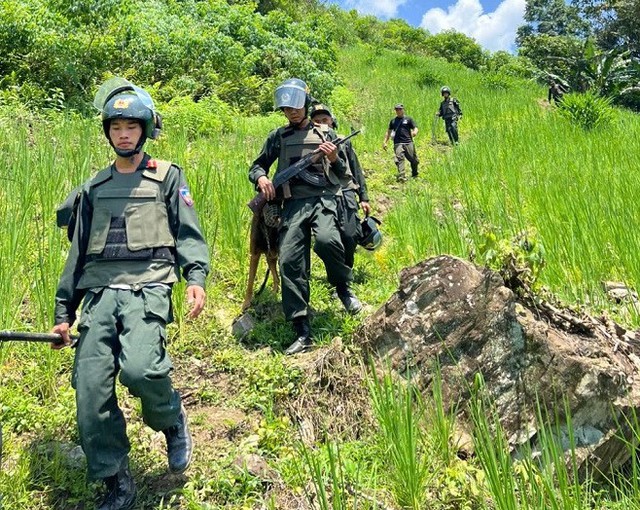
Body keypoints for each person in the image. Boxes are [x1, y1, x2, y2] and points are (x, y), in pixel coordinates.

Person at [51, 77, 210, 510]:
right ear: (109, 132)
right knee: (89, 394)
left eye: (131, 126)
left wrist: (195, 278)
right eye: (116, 126)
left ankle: (171, 418)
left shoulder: (166, 178)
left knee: (142, 370)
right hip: (100, 296)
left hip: (148, 289)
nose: (124, 133)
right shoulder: (94, 189)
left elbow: (189, 235)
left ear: (144, 130)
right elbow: (77, 255)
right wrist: (65, 309)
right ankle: (116, 479)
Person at [248, 78, 362, 356]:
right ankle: (301, 327)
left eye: (296, 107)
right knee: (289, 260)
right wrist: (262, 177)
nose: (292, 113)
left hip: (323, 199)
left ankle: (342, 288)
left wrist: (334, 158)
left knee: (327, 241)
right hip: (292, 204)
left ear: (306, 105)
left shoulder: (326, 134)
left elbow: (344, 174)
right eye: (287, 109)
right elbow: (257, 165)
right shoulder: (279, 137)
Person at [310, 103, 371, 270]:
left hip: (346, 192)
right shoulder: (307, 142)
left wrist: (364, 197)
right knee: (328, 238)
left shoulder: (343, 141)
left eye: (325, 119)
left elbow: (356, 168)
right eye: (316, 120)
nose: (321, 123)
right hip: (321, 195)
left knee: (351, 234)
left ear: (331, 121)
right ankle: (338, 274)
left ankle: (346, 271)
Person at [382, 103, 419, 182]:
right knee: (400, 158)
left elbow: (415, 127)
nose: (398, 111)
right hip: (398, 143)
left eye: (400, 109)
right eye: (397, 110)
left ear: (403, 110)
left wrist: (415, 132)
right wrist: (385, 142)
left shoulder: (408, 119)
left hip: (408, 142)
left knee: (414, 159)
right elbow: (388, 132)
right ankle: (402, 176)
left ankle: (415, 173)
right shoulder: (393, 121)